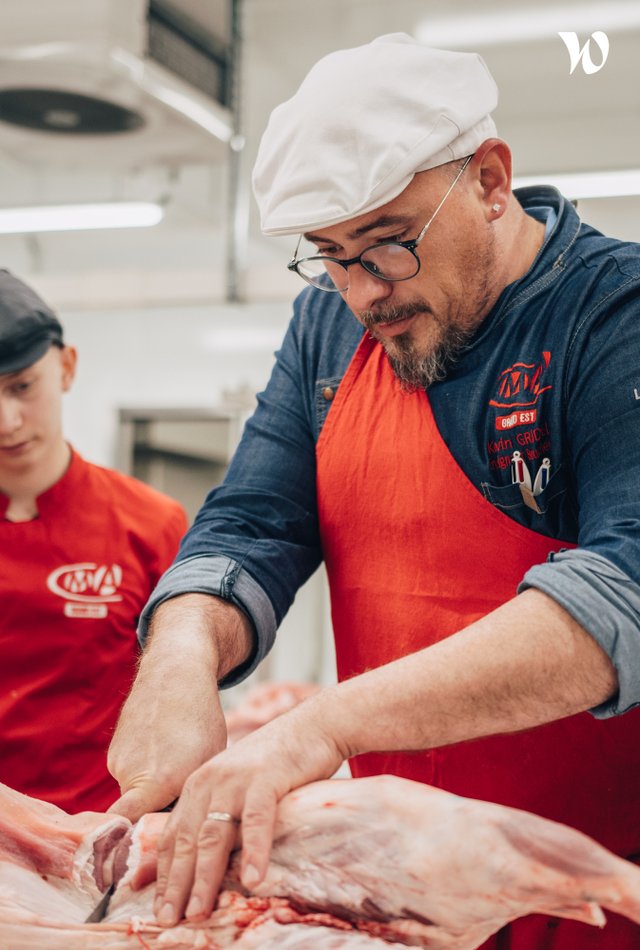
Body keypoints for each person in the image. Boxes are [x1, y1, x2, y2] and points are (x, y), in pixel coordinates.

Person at [108, 34, 640, 947]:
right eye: (330, 255)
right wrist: (180, 660)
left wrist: (322, 728)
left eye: (391, 245)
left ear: (489, 179)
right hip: (405, 895)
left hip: (598, 891)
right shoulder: (326, 326)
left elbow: (625, 586)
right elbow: (251, 523)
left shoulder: (613, 315)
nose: (363, 292)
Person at [0, 269, 187, 813]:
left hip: (102, 834)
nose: (7, 420)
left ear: (66, 368)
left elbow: (178, 701)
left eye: (21, 387)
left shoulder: (150, 524)